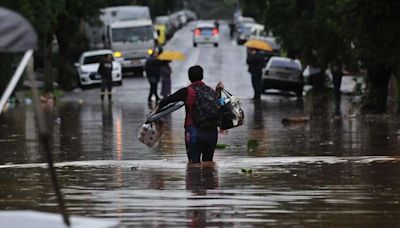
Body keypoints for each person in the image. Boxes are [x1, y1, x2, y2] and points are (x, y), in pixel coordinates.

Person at [158, 65, 224, 163]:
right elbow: (218, 105)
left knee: (193, 167)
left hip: (194, 132)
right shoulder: (210, 91)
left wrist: (154, 113)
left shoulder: (186, 91)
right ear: (202, 76)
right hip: (211, 133)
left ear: (189, 77)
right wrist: (218, 91)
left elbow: (166, 101)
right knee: (208, 165)